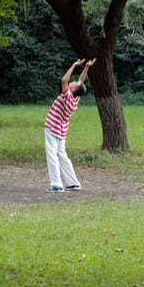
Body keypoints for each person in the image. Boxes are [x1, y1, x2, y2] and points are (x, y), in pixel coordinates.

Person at [44, 58, 95, 192]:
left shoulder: (67, 95)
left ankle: (56, 184)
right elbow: (81, 82)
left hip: (52, 128)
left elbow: (64, 80)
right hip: (61, 130)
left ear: (71, 90)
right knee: (62, 155)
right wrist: (87, 67)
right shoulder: (75, 97)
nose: (73, 82)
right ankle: (73, 183)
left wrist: (74, 65)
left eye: (73, 84)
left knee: (52, 155)